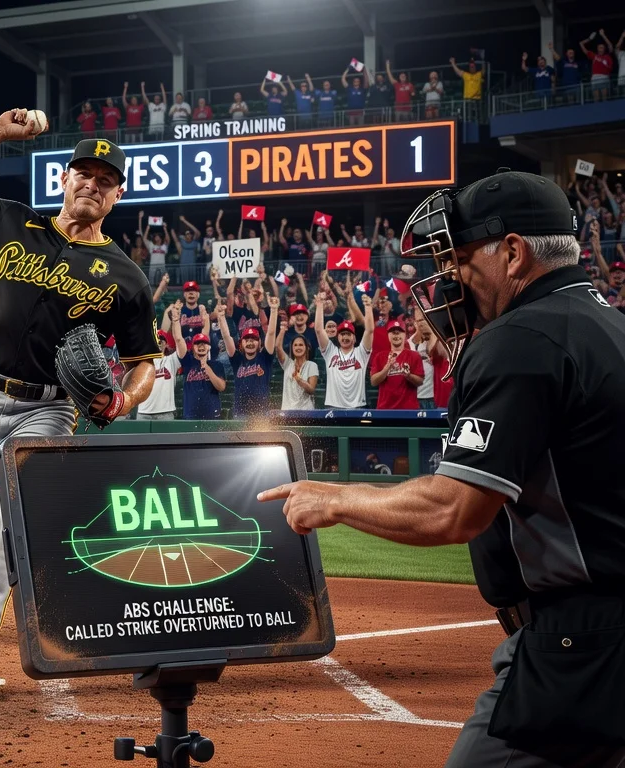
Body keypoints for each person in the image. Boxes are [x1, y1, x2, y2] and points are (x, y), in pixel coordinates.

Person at [262, 169, 625, 768]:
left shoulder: (522, 338)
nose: (450, 277)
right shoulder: (607, 324)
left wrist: (333, 499)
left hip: (579, 648)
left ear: (512, 252)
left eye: (460, 258)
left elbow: (455, 510)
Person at [0, 114, 159, 701]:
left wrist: (126, 397)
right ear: (64, 179)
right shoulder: (6, 220)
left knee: (10, 522)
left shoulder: (125, 277)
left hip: (49, 409)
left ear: (117, 194)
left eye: (106, 179)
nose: (92, 185)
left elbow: (144, 361)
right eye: (83, 173)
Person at [220, 295, 278, 418]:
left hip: (261, 415)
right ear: (241, 343)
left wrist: (273, 310)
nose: (250, 343)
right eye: (247, 340)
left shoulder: (265, 358)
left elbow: (271, 333)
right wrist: (221, 317)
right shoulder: (237, 360)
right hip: (240, 414)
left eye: (254, 340)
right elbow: (226, 337)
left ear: (259, 343)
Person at [315, 294, 374, 408]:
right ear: (338, 337)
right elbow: (318, 330)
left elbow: (370, 330)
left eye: (348, 334)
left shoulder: (361, 353)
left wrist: (368, 307)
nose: (345, 337)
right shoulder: (330, 351)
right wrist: (319, 305)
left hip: (357, 407)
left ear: (354, 338)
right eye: (342, 334)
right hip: (333, 406)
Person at [273, 307, 319, 411]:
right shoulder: (287, 364)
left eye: (301, 345)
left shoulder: (312, 365)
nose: (298, 347)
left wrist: (300, 381)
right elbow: (278, 347)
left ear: (306, 348)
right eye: (295, 345)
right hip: (287, 411)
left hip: (306, 412)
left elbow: (311, 390)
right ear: (292, 348)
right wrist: (282, 330)